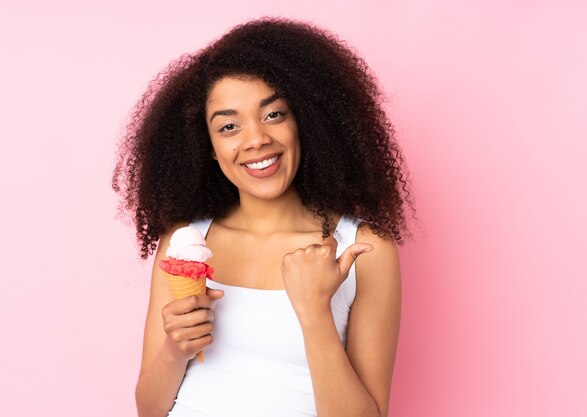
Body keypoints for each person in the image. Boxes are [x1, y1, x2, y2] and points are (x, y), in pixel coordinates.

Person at [113, 17, 413, 417]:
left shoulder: (363, 249)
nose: (255, 139)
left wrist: (314, 311)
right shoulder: (187, 243)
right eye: (229, 126)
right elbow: (148, 410)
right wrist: (175, 348)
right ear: (208, 147)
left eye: (274, 115)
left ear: (304, 122)